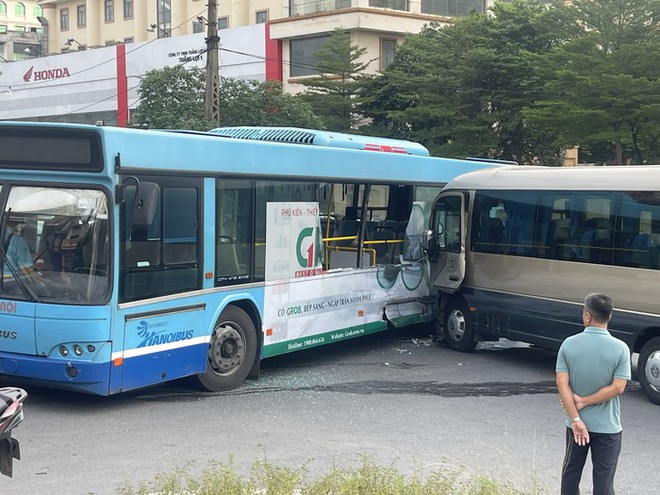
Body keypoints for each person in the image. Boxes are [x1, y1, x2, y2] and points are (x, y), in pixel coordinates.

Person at [556, 293, 631, 495]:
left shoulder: (568, 345)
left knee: (570, 476)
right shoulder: (621, 349)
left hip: (576, 426)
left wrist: (575, 418)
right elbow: (618, 387)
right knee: (604, 484)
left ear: (587, 316)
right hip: (609, 427)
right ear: (610, 316)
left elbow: (562, 384)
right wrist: (586, 401)